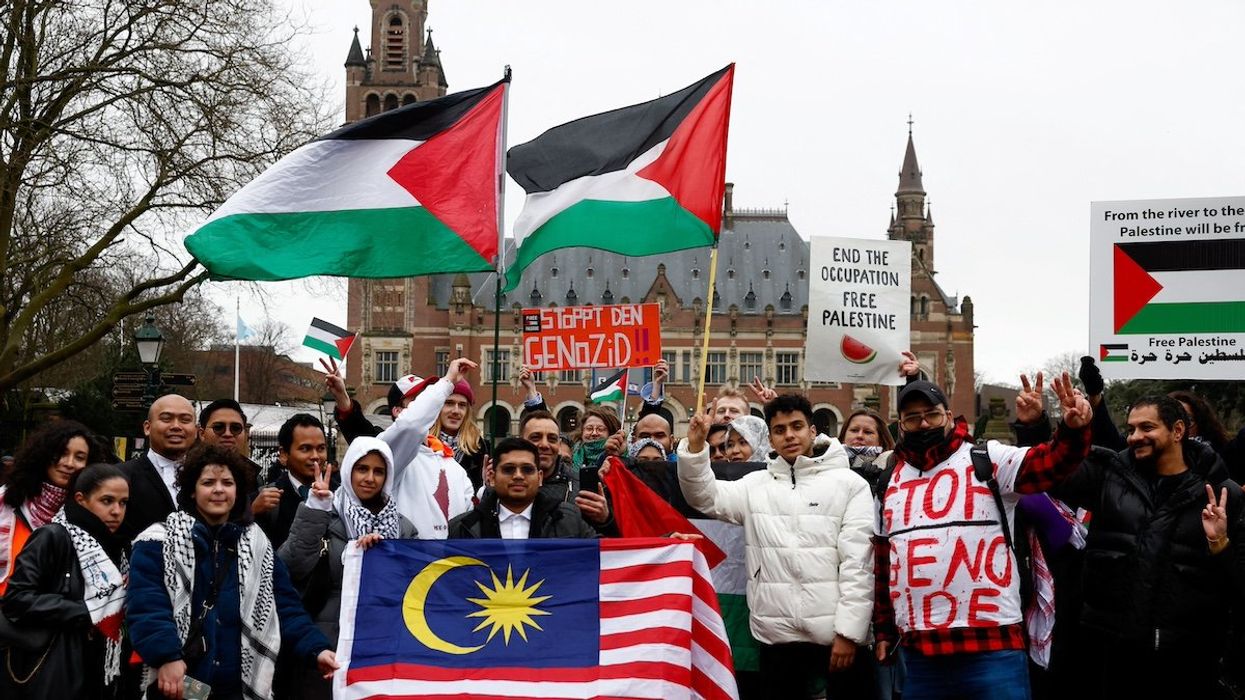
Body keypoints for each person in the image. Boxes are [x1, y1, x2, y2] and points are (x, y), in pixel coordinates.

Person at [872, 375, 1092, 700]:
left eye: (931, 414)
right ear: (901, 425)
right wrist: (884, 631)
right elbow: (883, 564)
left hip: (993, 646)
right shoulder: (888, 481)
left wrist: (1072, 431)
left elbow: (1050, 463)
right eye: (912, 418)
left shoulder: (987, 459)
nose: (923, 424)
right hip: (920, 653)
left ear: (949, 416)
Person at [1047, 395, 1245, 699]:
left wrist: (1219, 543)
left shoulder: (1222, 494)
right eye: (1131, 429)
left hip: (1189, 660)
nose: (1135, 436)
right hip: (1113, 654)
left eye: (1147, 427)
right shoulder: (1109, 477)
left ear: (1177, 431)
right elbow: (1052, 474)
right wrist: (1042, 427)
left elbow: (1239, 584)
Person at [678, 394, 875, 699]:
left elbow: (858, 564)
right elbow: (704, 496)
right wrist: (694, 448)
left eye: (797, 426)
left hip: (837, 639)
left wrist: (850, 633)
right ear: (770, 438)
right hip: (776, 640)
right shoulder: (755, 485)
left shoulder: (850, 484)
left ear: (812, 430)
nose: (790, 436)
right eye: (780, 430)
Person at [127, 444, 337, 700]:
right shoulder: (157, 541)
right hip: (180, 682)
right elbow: (147, 605)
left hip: (237, 686)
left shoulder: (258, 544)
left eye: (227, 483)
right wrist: (166, 656)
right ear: (192, 490)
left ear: (238, 492)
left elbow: (285, 606)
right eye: (208, 482)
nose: (218, 489)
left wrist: (317, 649)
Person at [277, 437, 416, 700]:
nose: (370, 478)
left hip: (384, 643)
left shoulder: (404, 527)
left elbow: (413, 587)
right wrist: (316, 509)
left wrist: (382, 556)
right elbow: (291, 565)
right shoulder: (325, 513)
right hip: (331, 643)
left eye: (379, 471)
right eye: (362, 469)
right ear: (349, 469)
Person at [0, 463, 130, 699]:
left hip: (100, 671)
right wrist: (86, 611)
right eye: (107, 501)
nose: (116, 511)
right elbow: (16, 600)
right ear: (81, 500)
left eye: (123, 503)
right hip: (56, 669)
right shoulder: (53, 537)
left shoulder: (118, 546)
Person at [376, 359, 477, 540]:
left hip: (451, 557)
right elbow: (411, 425)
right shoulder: (390, 453)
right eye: (417, 400)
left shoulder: (453, 465)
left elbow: (469, 522)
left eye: (427, 397)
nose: (428, 405)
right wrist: (447, 381)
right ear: (398, 411)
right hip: (406, 557)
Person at [0, 420, 101, 596]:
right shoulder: (6, 503)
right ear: (43, 454)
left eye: (79, 457)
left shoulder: (92, 512)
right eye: (62, 453)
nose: (69, 463)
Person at [448, 438, 597, 539]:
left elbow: (603, 559)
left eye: (527, 469)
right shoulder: (462, 528)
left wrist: (605, 521)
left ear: (539, 477)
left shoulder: (569, 520)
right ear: (492, 477)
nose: (518, 476)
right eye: (508, 469)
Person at [119, 394, 197, 542]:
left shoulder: (207, 478)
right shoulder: (122, 476)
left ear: (196, 430)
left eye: (185, 420)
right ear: (147, 427)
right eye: (166, 419)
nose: (176, 426)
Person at [254, 414, 333, 550]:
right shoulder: (266, 501)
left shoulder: (341, 496)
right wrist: (252, 512)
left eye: (321, 448)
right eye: (305, 449)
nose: (315, 456)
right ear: (284, 454)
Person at [430, 379, 490, 490]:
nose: (456, 411)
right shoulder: (422, 444)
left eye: (462, 405)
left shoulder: (481, 448)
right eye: (449, 403)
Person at [838, 409, 895, 490]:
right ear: (844, 436)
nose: (859, 435)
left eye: (868, 432)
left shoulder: (893, 466)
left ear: (881, 440)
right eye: (854, 430)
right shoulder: (827, 463)